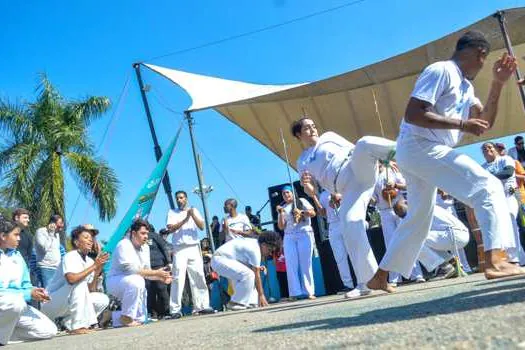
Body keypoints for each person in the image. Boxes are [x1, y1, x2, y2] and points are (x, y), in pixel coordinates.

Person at [367, 31, 524, 294]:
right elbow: (414, 113)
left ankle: (381, 275)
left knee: (418, 217)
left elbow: (483, 122)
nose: (483, 65)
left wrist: (497, 84)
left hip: (421, 151)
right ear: (479, 54)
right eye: (483, 61)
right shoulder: (441, 70)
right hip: (420, 146)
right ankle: (496, 259)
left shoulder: (466, 86)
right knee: (488, 187)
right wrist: (462, 124)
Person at [293, 116, 396, 298]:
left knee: (364, 143)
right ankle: (367, 282)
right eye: (307, 128)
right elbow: (312, 189)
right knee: (350, 223)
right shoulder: (302, 161)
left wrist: (382, 160)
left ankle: (404, 151)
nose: (313, 129)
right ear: (299, 135)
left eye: (313, 126)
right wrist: (308, 188)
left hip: (355, 168)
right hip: (347, 188)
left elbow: (355, 149)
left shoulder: (329, 136)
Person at [41, 226, 110, 334]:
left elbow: (90, 290)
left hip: (68, 302)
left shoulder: (90, 261)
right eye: (86, 237)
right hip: (52, 301)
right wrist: (94, 266)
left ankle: (70, 323)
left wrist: (97, 271)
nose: (90, 240)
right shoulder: (70, 256)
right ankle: (77, 326)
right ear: (77, 242)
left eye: (91, 238)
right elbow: (71, 279)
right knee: (79, 282)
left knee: (102, 299)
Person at [0, 219, 57, 345]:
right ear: (3, 236)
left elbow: (25, 284)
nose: (19, 238)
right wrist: (27, 294)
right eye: (16, 235)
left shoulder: (17, 256)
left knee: (49, 331)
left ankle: (4, 335)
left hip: (17, 305)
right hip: (8, 304)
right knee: (16, 303)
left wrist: (33, 290)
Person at [106, 219, 172, 327]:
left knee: (141, 318)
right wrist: (156, 272)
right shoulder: (123, 244)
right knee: (137, 281)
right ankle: (126, 317)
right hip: (115, 282)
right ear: (133, 233)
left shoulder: (145, 248)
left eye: (147, 233)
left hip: (132, 282)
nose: (146, 236)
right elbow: (131, 270)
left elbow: (146, 272)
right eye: (143, 233)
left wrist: (161, 278)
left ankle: (111, 316)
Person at [372, 163, 425, 285]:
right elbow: (374, 201)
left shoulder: (392, 170)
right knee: (391, 245)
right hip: (384, 212)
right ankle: (395, 278)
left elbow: (406, 186)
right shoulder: (372, 178)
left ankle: (417, 274)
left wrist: (395, 185)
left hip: (399, 208)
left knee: (407, 240)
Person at [166, 190, 215, 319]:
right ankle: (175, 309)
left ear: (186, 199)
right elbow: (171, 228)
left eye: (181, 198)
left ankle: (202, 306)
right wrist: (185, 218)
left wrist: (192, 215)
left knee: (198, 276)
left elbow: (202, 226)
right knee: (178, 278)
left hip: (193, 247)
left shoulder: (194, 210)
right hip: (180, 248)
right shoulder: (172, 212)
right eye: (177, 198)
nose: (179, 200)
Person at [393, 199, 470, 278]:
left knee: (412, 240)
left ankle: (444, 267)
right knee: (420, 241)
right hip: (456, 234)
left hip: (455, 234)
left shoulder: (420, 210)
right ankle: (452, 263)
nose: (405, 217)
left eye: (405, 214)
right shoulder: (422, 206)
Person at [210, 231, 281, 310]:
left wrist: (256, 269)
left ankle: (251, 303)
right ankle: (235, 302)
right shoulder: (255, 250)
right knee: (249, 274)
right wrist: (261, 295)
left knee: (249, 275)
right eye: (269, 250)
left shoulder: (255, 244)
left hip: (223, 260)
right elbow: (256, 275)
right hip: (219, 259)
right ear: (263, 245)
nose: (270, 253)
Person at [481, 142, 525, 265]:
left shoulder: (506, 159)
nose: (488, 149)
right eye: (484, 149)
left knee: (514, 223)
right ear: (483, 153)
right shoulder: (482, 167)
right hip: (496, 199)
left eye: (490, 147)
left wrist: (488, 177)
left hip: (511, 194)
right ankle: (514, 258)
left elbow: (508, 173)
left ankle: (517, 258)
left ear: (495, 149)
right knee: (502, 227)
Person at [276, 185, 317, 300]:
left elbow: (313, 213)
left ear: (293, 193)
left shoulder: (301, 201)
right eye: (284, 193)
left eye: (288, 192)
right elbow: (281, 226)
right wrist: (280, 213)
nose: (286, 195)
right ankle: (294, 293)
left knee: (305, 262)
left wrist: (301, 212)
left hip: (304, 233)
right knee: (291, 264)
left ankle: (309, 291)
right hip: (289, 236)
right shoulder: (283, 207)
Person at [318, 190, 354, 292]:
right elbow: (323, 214)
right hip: (333, 225)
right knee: (340, 257)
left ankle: (363, 281)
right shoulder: (323, 195)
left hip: (346, 220)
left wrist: (338, 198)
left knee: (354, 253)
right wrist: (314, 197)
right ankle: (348, 284)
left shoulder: (341, 187)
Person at [146, 226, 171, 320]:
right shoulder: (137, 238)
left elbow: (164, 247)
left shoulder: (155, 236)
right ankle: (153, 313)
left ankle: (166, 311)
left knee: (161, 288)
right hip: (146, 268)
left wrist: (168, 262)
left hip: (158, 264)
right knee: (150, 290)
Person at [34, 214, 64, 288]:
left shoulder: (57, 235)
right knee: (48, 293)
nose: (62, 225)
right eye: (60, 223)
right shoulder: (41, 231)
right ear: (52, 223)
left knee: (55, 294)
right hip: (46, 267)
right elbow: (44, 248)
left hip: (57, 268)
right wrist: (50, 234)